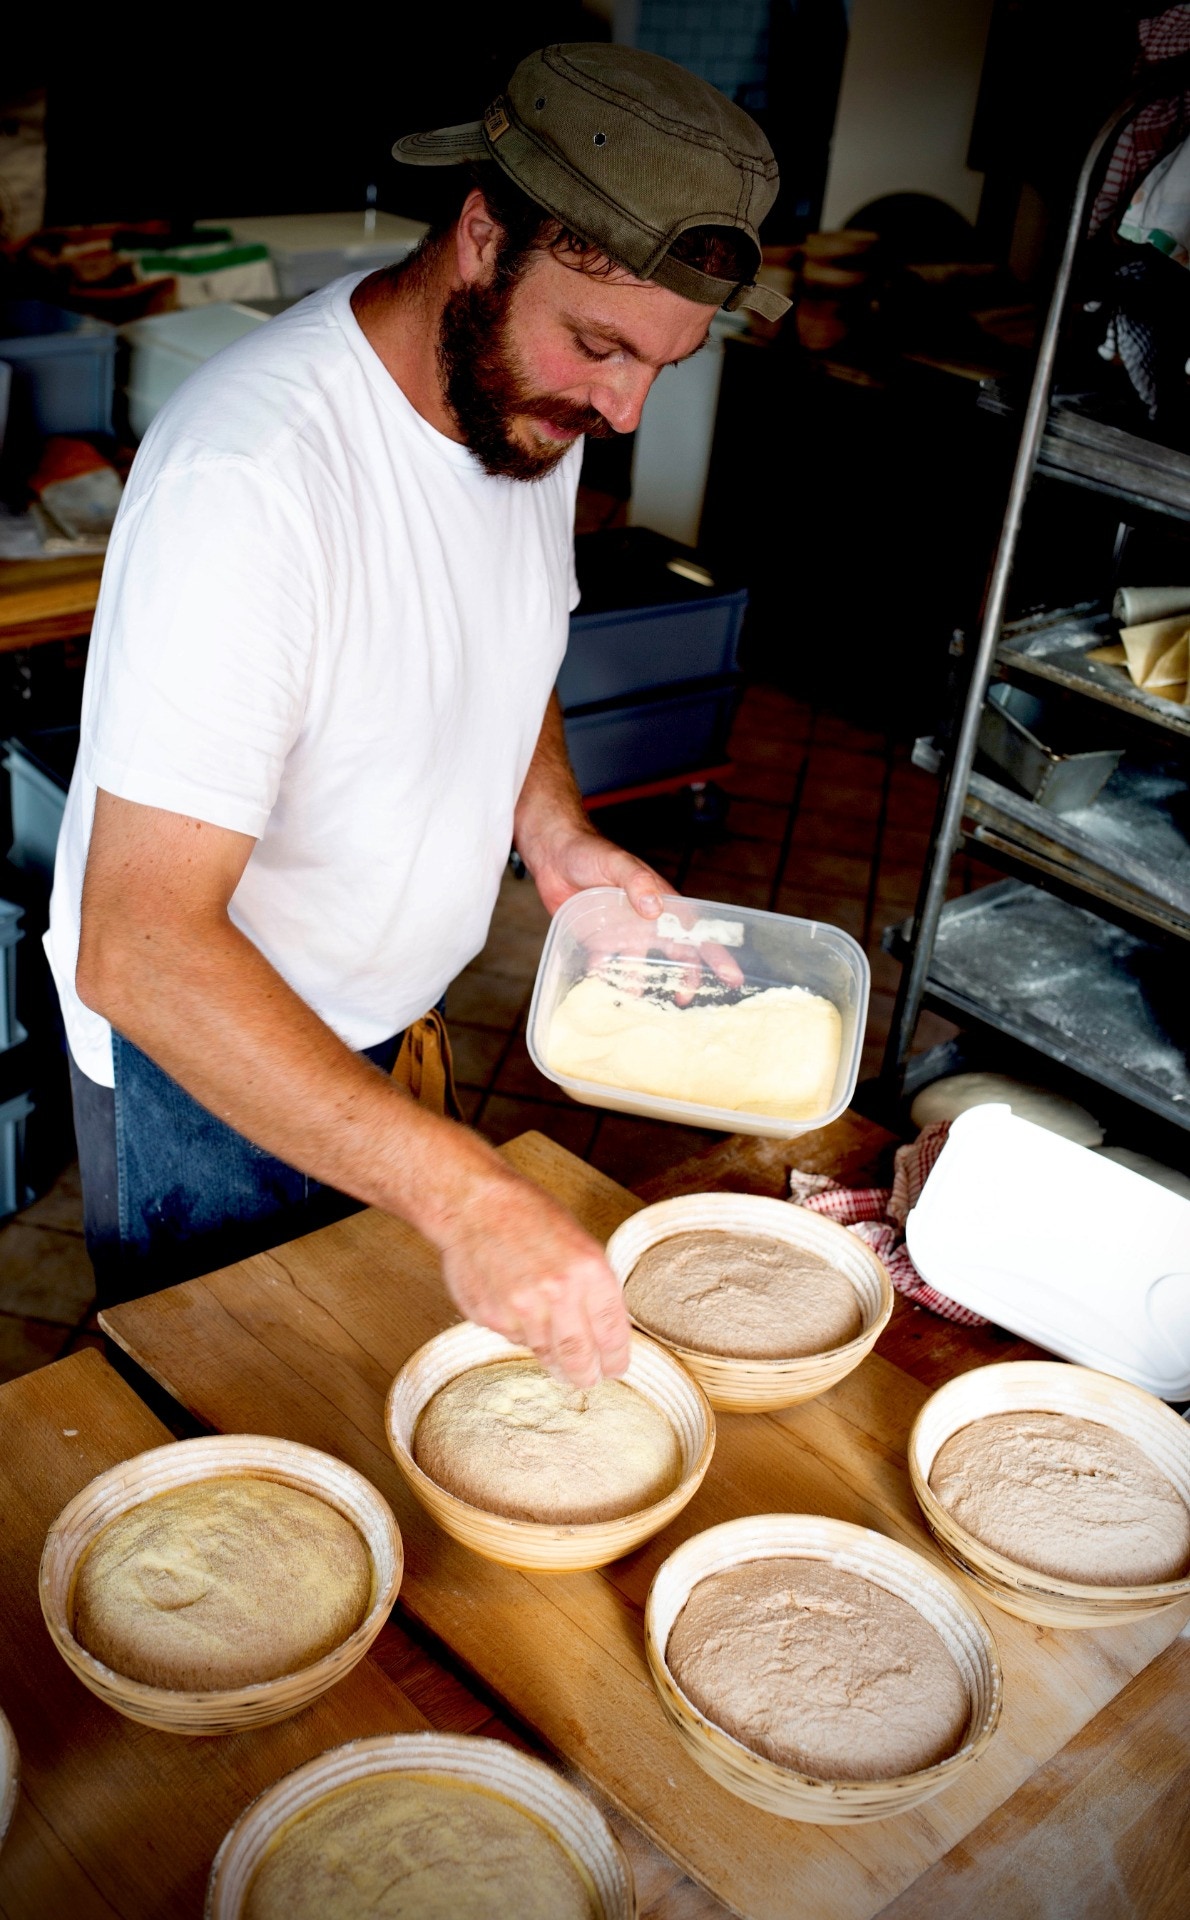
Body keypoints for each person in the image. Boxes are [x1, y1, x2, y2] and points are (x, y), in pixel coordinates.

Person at [46, 43, 788, 1387]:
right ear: (482, 233)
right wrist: (465, 1193)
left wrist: (554, 835)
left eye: (661, 368)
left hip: (376, 1020)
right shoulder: (254, 479)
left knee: (351, 1391)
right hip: (209, 1063)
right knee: (235, 1441)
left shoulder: (525, 409)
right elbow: (139, 948)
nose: (620, 408)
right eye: (603, 344)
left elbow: (506, 645)